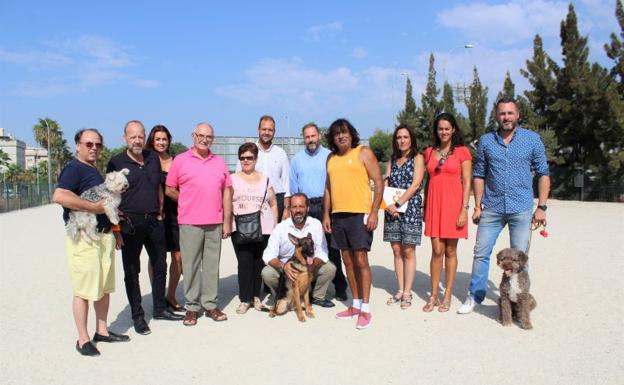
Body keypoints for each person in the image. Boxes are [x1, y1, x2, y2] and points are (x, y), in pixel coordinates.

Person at [457, 97, 550, 314]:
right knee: (481, 252)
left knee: (520, 257)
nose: (506, 117)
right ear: (496, 116)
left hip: (522, 207)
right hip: (492, 207)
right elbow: (479, 174)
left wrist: (542, 207)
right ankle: (475, 295)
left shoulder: (532, 140)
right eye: (502, 113)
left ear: (517, 115)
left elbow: (543, 173)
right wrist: (478, 206)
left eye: (510, 113)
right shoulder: (486, 141)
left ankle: (520, 302)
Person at [53, 128, 130, 356]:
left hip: (103, 236)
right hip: (84, 239)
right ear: (78, 145)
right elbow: (59, 196)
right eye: (89, 144)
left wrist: (115, 231)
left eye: (98, 144)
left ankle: (102, 331)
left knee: (104, 288)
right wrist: (94, 208)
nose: (94, 148)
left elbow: (109, 203)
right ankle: (83, 338)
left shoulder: (95, 171)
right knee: (84, 290)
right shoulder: (73, 169)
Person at [107, 120, 184, 336]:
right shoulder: (116, 162)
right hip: (129, 223)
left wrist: (160, 211)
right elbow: (110, 196)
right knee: (132, 271)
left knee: (160, 264)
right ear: (125, 138)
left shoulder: (152, 159)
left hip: (154, 221)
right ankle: (138, 316)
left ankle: (159, 308)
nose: (137, 140)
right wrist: (116, 228)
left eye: (140, 136)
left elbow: (159, 187)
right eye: (133, 137)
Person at [165, 122, 233, 326]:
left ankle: (210, 304)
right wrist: (186, 199)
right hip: (189, 222)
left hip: (214, 222)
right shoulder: (180, 160)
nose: (205, 139)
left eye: (209, 137)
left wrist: (227, 221)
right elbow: (169, 189)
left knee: (212, 267)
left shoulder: (219, 162)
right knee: (191, 265)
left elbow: (227, 192)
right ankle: (192, 307)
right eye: (201, 136)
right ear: (193, 136)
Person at [323, 118, 383, 329]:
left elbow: (378, 181)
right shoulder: (330, 158)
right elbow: (328, 188)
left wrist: (374, 211)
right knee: (347, 261)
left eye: (344, 132)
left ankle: (365, 309)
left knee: (360, 260)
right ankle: (355, 304)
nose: (341, 136)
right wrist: (326, 215)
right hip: (338, 215)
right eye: (337, 133)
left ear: (351, 133)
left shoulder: (363, 152)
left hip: (359, 215)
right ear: (333, 138)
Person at [289, 122, 348, 303]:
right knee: (308, 250)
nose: (310, 140)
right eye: (307, 137)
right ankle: (312, 288)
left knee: (331, 247)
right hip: (306, 208)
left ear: (319, 136)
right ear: (304, 139)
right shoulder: (297, 159)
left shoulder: (329, 156)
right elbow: (293, 189)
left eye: (313, 136)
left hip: (326, 206)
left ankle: (340, 287)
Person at [422, 113, 472, 312]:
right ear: (436, 130)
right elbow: (428, 181)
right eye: (440, 128)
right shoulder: (428, 152)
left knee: (450, 251)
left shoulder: (462, 152)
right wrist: (424, 207)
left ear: (453, 130)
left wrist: (464, 209)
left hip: (454, 206)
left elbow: (467, 182)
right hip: (435, 205)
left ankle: (448, 294)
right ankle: (433, 294)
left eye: (447, 128)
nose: (443, 132)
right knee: (436, 251)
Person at [261, 193, 337, 307]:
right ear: (290, 209)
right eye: (294, 207)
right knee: (267, 273)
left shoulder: (315, 224)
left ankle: (317, 297)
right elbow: (268, 255)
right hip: (288, 270)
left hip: (309, 267)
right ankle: (283, 296)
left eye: (301, 206)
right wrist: (283, 266)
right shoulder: (281, 228)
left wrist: (312, 265)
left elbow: (323, 252)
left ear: (307, 208)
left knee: (330, 268)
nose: (298, 210)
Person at [230, 142, 278, 314]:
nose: (246, 160)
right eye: (242, 158)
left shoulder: (265, 179)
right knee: (244, 262)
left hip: (264, 227)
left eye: (249, 157)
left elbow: (273, 204)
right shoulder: (233, 179)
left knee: (258, 263)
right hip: (240, 227)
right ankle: (244, 299)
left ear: (256, 159)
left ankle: (256, 297)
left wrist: (275, 226)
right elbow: (227, 203)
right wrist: (226, 224)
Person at [382, 125, 425, 310]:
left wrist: (398, 204)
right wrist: (387, 203)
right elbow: (387, 181)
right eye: (399, 137)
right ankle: (399, 289)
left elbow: (415, 185)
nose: (402, 140)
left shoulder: (418, 158)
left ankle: (407, 292)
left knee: (408, 251)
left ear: (411, 139)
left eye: (405, 137)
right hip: (391, 210)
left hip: (410, 209)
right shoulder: (392, 160)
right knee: (396, 250)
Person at [145, 124, 183, 312]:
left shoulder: (177, 161)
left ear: (169, 141)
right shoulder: (145, 160)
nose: (161, 142)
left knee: (178, 257)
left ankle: (171, 295)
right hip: (154, 214)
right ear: (152, 140)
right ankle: (158, 296)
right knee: (156, 258)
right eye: (157, 139)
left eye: (164, 139)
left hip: (176, 214)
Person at [236, 115, 290, 222]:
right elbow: (239, 177)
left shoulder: (281, 153)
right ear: (258, 130)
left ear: (274, 132)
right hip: (253, 200)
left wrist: (286, 209)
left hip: (277, 200)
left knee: (274, 236)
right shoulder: (248, 152)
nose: (266, 132)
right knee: (253, 236)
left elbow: (286, 183)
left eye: (270, 130)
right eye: (264, 129)